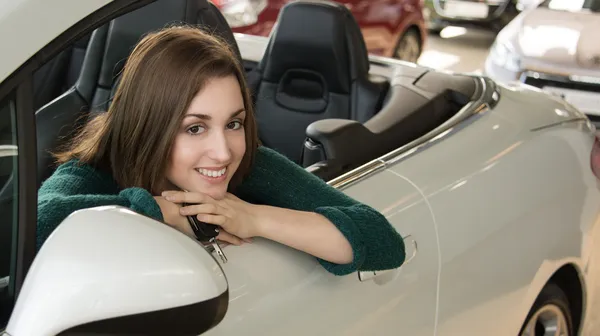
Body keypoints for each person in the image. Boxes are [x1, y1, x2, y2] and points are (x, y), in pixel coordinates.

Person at [37, 26, 406, 276]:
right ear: (149, 126)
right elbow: (29, 231)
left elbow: (384, 242)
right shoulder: (90, 172)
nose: (223, 152)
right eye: (195, 128)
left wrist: (253, 218)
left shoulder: (252, 167)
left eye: (234, 123)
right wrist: (158, 212)